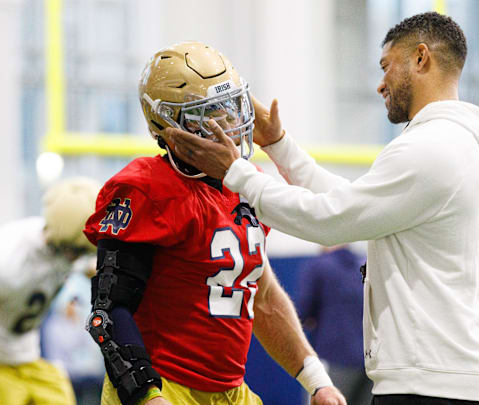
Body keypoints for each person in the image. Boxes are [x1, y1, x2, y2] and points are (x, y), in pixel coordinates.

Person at [162, 12, 479, 405]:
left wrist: (235, 172)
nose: (381, 84)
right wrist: (278, 144)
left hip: (430, 387)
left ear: (421, 58)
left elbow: (328, 220)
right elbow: (352, 204)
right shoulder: (456, 143)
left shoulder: (431, 149)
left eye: (386, 66)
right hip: (452, 377)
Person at [82, 41, 345, 405]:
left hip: (230, 391)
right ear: (168, 125)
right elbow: (108, 313)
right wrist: (146, 395)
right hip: (164, 386)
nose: (228, 124)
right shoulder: (146, 187)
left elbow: (263, 297)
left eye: (229, 108)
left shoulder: (244, 183)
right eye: (207, 115)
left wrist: (318, 382)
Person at [0, 177, 100, 405]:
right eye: (76, 251)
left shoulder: (69, 246)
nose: (78, 257)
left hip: (26, 357)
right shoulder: (7, 256)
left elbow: (90, 266)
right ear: (64, 242)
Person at [296, 246, 373, 405]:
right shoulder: (366, 264)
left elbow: (302, 313)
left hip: (335, 357)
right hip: (369, 360)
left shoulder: (319, 267)